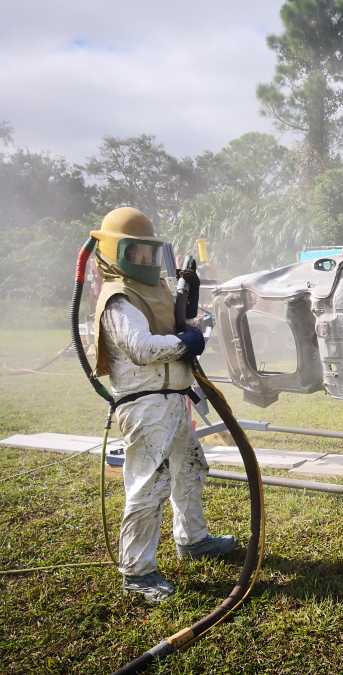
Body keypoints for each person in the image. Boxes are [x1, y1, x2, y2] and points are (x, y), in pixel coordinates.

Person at [90, 206, 235, 603]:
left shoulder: (154, 291)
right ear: (115, 253)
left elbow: (174, 329)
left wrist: (190, 323)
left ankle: (193, 539)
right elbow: (140, 348)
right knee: (148, 485)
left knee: (191, 467)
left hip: (172, 399)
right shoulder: (118, 298)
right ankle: (137, 572)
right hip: (144, 405)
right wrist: (183, 344)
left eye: (147, 252)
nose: (143, 260)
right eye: (134, 252)